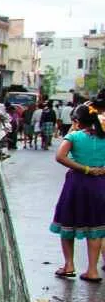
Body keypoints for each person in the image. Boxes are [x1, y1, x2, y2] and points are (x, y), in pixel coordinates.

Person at [50, 103, 105, 282]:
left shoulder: (74, 136)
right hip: (100, 185)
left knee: (68, 222)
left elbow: (60, 157)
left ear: (77, 121)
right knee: (96, 227)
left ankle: (69, 265)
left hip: (77, 184)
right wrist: (100, 169)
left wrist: (85, 168)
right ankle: (92, 271)